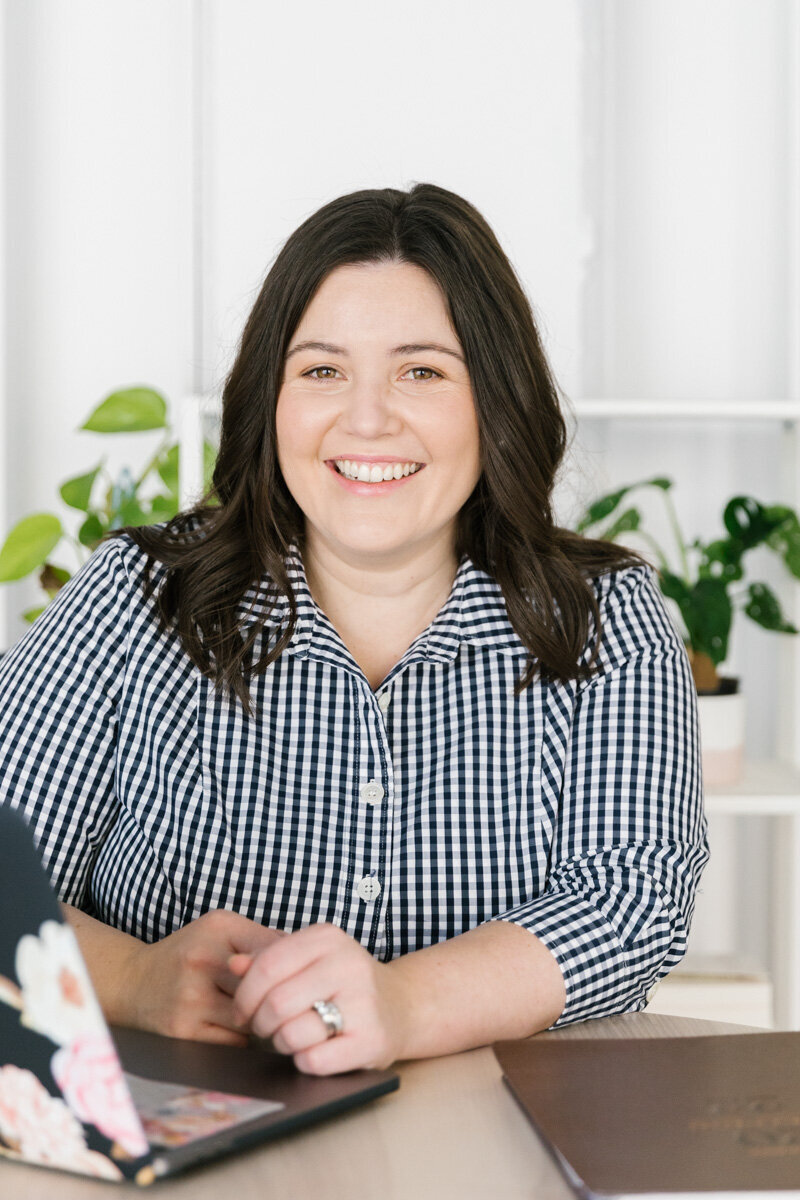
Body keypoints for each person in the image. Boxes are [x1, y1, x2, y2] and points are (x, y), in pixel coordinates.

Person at [0, 183, 708, 1076]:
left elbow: (633, 901)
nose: (366, 419)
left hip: (492, 1144)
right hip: (186, 1144)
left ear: (494, 400)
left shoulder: (603, 617)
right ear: (273, 400)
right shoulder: (138, 595)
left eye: (422, 370)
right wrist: (139, 977)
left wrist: (406, 1003)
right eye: (323, 370)